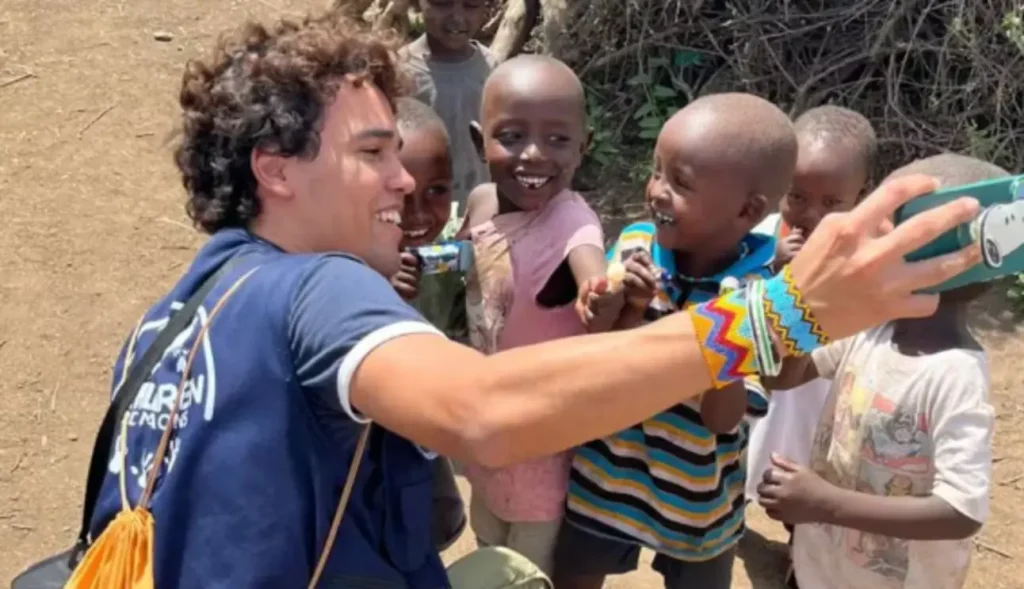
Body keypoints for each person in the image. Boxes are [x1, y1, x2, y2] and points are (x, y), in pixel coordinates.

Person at [80, 12, 983, 589]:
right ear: (275, 171)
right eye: (371, 154)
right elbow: (484, 411)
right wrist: (777, 315)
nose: (405, 179)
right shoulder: (317, 287)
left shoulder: (186, 301)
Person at [554, 93, 797, 589]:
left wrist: (717, 330)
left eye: (679, 182)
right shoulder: (635, 246)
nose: (657, 191)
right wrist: (625, 308)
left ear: (747, 210)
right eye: (657, 171)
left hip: (697, 500)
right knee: (575, 574)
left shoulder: (763, 295)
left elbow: (722, 418)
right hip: (608, 478)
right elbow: (603, 359)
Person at [758, 154, 999, 589]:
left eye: (881, 236)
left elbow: (961, 511)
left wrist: (824, 503)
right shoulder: (872, 330)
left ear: (928, 262)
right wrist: (798, 301)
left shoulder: (954, 375)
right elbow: (782, 378)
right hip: (820, 569)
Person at [457, 54, 611, 575]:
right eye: (512, 136)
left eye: (558, 139)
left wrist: (599, 293)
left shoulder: (572, 222)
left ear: (584, 146)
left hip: (541, 435)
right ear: (479, 140)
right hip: (486, 419)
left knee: (527, 563)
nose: (534, 154)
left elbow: (590, 267)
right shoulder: (480, 203)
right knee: (487, 529)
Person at [745, 104, 877, 570]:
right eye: (797, 197)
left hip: (822, 395)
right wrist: (777, 269)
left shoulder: (870, 253)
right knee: (752, 465)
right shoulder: (761, 238)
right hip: (765, 390)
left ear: (862, 195)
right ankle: (726, 527)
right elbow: (736, 298)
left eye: (832, 202)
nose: (812, 214)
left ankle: (800, 556)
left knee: (810, 480)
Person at [388, 96, 469, 552]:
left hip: (430, 426)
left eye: (437, 191)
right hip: (378, 432)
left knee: (436, 526)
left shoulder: (457, 242)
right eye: (401, 197)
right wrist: (383, 293)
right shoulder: (354, 258)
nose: (418, 214)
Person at [400, 0, 496, 216]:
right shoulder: (401, 71)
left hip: (479, 207)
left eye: (471, 5)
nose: (457, 17)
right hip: (422, 212)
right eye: (442, 3)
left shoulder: (490, 66)